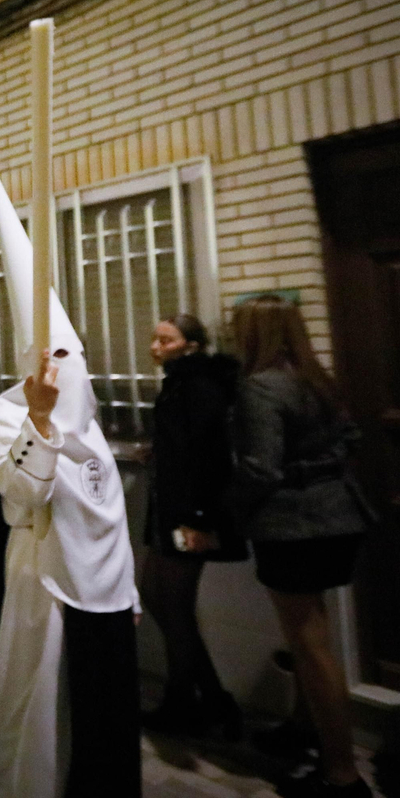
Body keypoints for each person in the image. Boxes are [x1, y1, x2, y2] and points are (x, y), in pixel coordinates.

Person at [0, 151, 142, 798]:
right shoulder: (15, 411)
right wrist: (38, 420)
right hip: (39, 592)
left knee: (93, 717)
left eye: (71, 358)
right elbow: (17, 493)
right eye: (50, 359)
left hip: (100, 596)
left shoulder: (93, 426)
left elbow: (112, 517)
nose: (61, 372)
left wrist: (130, 597)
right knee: (35, 716)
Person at [230, 293, 376, 798]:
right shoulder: (318, 379)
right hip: (341, 517)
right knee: (314, 637)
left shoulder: (260, 387)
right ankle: (304, 728)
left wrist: (228, 512)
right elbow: (352, 439)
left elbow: (261, 469)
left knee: (309, 646)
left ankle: (341, 777)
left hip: (294, 527)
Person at [139, 314, 245, 738]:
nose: (155, 346)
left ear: (192, 345)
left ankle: (185, 702)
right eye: (156, 337)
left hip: (189, 514)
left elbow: (207, 456)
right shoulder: (179, 381)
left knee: (173, 604)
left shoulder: (198, 385)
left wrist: (198, 520)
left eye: (166, 339)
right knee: (160, 599)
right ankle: (213, 698)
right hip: (173, 508)